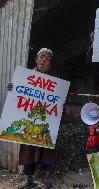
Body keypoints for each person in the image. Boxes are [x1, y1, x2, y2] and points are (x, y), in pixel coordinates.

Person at [7, 48, 55, 189]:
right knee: (28, 149)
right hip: (29, 121)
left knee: (47, 149)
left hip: (46, 122)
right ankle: (29, 180)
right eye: (42, 57)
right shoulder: (24, 78)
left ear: (50, 64)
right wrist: (11, 88)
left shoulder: (54, 84)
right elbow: (16, 97)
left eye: (47, 58)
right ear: (36, 60)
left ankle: (47, 179)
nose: (44, 60)